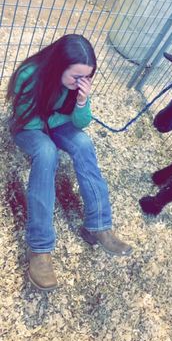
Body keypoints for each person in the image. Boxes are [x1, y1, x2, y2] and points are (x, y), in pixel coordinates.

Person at [6, 34, 132, 291]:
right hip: (29, 127)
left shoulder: (78, 87)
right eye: (76, 77)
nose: (80, 83)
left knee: (84, 144)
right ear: (58, 65)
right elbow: (28, 119)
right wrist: (55, 123)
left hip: (55, 123)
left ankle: (99, 226)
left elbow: (80, 122)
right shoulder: (29, 75)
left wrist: (82, 102)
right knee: (47, 152)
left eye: (86, 78)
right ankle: (39, 249)